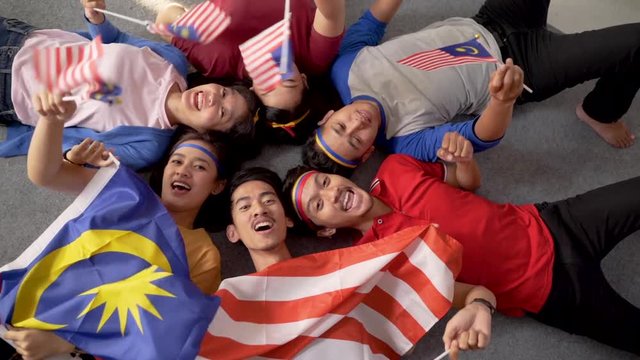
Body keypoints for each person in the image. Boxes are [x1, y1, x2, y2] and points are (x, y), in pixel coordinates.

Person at [285, 131, 640, 355]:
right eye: (318, 205)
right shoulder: (377, 260)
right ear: (325, 231)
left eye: (325, 182)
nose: (331, 194)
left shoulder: (395, 168)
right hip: (554, 293)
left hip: (554, 221)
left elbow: (465, 183)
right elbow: (463, 293)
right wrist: (479, 308)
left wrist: (465, 161)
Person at [2, 90, 227, 359]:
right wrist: (51, 121)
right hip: (17, 305)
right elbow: (44, 174)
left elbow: (172, 336)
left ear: (217, 186)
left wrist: (66, 344)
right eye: (176, 161)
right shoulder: (124, 193)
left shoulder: (204, 253)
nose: (182, 171)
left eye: (200, 167)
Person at [303, 0, 640, 174]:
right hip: (526, 67)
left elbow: (373, 22)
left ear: (328, 115)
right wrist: (502, 100)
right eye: (356, 140)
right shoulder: (404, 141)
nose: (357, 124)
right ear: (366, 154)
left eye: (341, 125)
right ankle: (600, 112)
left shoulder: (344, 69)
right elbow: (482, 137)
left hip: (489, 20)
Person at [225, 166, 497, 359]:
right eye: (245, 206)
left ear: (287, 220)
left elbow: (474, 293)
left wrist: (481, 307)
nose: (259, 209)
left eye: (269, 200)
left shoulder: (351, 269)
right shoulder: (229, 307)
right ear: (232, 232)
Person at [0, 0, 259, 170]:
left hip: (10, 88)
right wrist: (96, 18)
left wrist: (74, 158)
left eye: (223, 112)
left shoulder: (148, 145)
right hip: (24, 37)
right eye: (224, 92)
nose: (214, 98)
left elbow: (74, 152)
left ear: (208, 134)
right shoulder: (173, 60)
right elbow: (117, 39)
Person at [156, 0, 345, 144]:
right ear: (303, 79)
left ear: (253, 90)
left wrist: (192, 17)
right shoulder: (313, 58)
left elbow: (166, 18)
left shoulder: (216, 59)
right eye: (287, 80)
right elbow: (331, 13)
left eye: (268, 86)